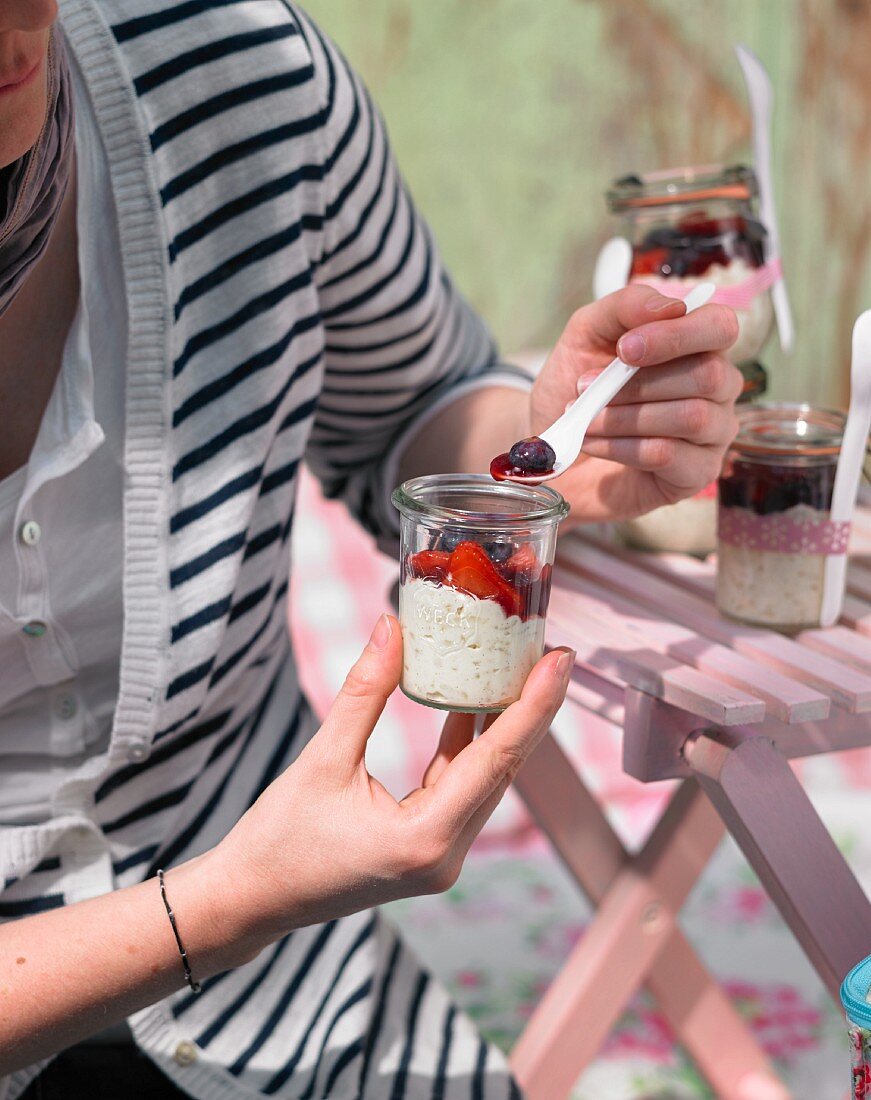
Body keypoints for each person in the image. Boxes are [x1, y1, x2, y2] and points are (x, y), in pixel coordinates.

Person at [0, 1, 741, 1097]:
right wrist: (228, 899)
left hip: (295, 1006)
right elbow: (236, 899)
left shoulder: (241, 74)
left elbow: (415, 406)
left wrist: (557, 457)